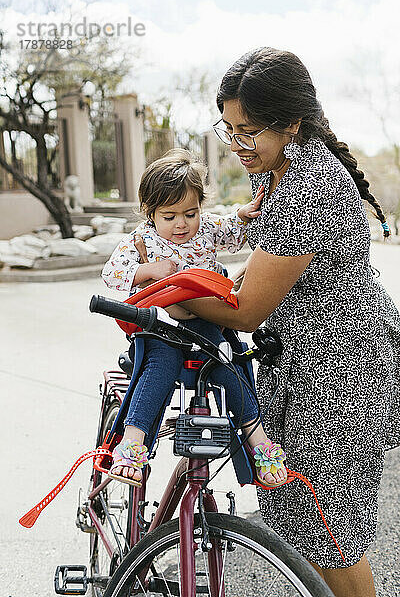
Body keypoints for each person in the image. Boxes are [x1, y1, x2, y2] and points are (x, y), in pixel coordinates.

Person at [134, 48, 399, 597]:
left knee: (335, 538)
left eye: (249, 130)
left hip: (341, 375)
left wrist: (172, 295)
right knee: (308, 530)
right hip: (303, 369)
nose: (237, 143)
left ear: (292, 123)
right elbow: (260, 275)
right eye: (229, 128)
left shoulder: (310, 185)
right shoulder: (279, 174)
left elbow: (248, 307)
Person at [101, 148, 287, 490]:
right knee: (159, 369)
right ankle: (133, 443)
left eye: (190, 213)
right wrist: (147, 270)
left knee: (228, 365)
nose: (182, 224)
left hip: (205, 324)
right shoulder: (142, 241)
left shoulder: (207, 229)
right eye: (169, 216)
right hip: (161, 327)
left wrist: (244, 214)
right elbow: (111, 273)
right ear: (150, 213)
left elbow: (232, 230)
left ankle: (258, 441)